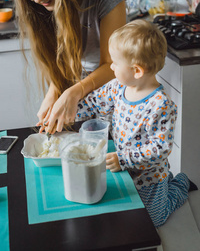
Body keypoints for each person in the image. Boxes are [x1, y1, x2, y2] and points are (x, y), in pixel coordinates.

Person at [74, 19, 197, 228]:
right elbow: (94, 101)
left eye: (114, 62)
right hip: (122, 166)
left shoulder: (161, 106)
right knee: (125, 210)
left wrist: (124, 159)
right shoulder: (118, 86)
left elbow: (160, 149)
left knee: (155, 219)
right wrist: (70, 113)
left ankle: (180, 183)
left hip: (149, 175)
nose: (110, 67)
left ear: (137, 70)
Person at [7, 0, 130, 134]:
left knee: (110, 148)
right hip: (78, 82)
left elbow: (112, 64)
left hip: (113, 78)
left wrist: (72, 92)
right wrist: (53, 92)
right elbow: (65, 56)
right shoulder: (37, 5)